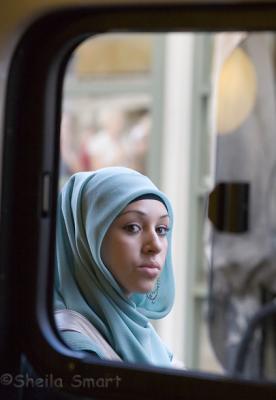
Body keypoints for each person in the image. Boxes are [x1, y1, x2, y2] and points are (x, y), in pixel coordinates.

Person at [54, 166, 177, 367]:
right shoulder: (70, 350)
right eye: (133, 227)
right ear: (87, 239)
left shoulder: (139, 333)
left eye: (161, 229)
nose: (155, 245)